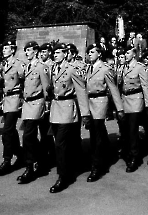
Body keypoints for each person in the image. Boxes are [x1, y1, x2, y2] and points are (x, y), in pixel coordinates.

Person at [48, 43, 90, 193]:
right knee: (59, 144)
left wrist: (85, 114)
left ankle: (63, 177)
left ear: (65, 54)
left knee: (60, 144)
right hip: (55, 109)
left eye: (58, 52)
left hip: (67, 109)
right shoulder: (52, 68)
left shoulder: (72, 69)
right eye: (54, 53)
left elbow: (81, 91)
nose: (55, 55)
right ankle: (68, 169)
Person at [85, 43, 125, 182]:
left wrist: (119, 108)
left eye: (92, 52)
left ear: (99, 54)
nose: (89, 54)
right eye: (88, 52)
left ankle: (97, 166)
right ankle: (104, 156)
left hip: (100, 101)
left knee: (97, 133)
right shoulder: (88, 68)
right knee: (96, 133)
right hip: (89, 102)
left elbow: (113, 89)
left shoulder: (105, 69)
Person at [14, 41, 50, 184]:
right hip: (27, 103)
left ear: (35, 51)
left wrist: (47, 105)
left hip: (37, 102)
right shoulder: (27, 66)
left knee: (28, 135)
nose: (26, 53)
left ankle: (29, 167)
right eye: (25, 50)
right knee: (31, 136)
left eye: (29, 50)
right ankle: (39, 161)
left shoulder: (42, 67)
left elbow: (47, 88)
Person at [118, 45, 148, 172]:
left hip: (136, 101)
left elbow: (146, 87)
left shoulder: (139, 67)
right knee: (126, 130)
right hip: (124, 101)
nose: (125, 55)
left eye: (127, 53)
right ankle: (128, 152)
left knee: (133, 130)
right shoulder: (122, 68)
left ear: (134, 54)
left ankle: (134, 157)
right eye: (124, 53)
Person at [0, 41, 25, 175]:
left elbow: (24, 80)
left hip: (15, 99)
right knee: (11, 131)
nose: (3, 50)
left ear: (12, 50)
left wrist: (23, 99)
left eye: (6, 48)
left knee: (7, 131)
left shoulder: (18, 64)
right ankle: (21, 154)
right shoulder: (3, 65)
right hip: (6, 100)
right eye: (3, 48)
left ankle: (6, 161)